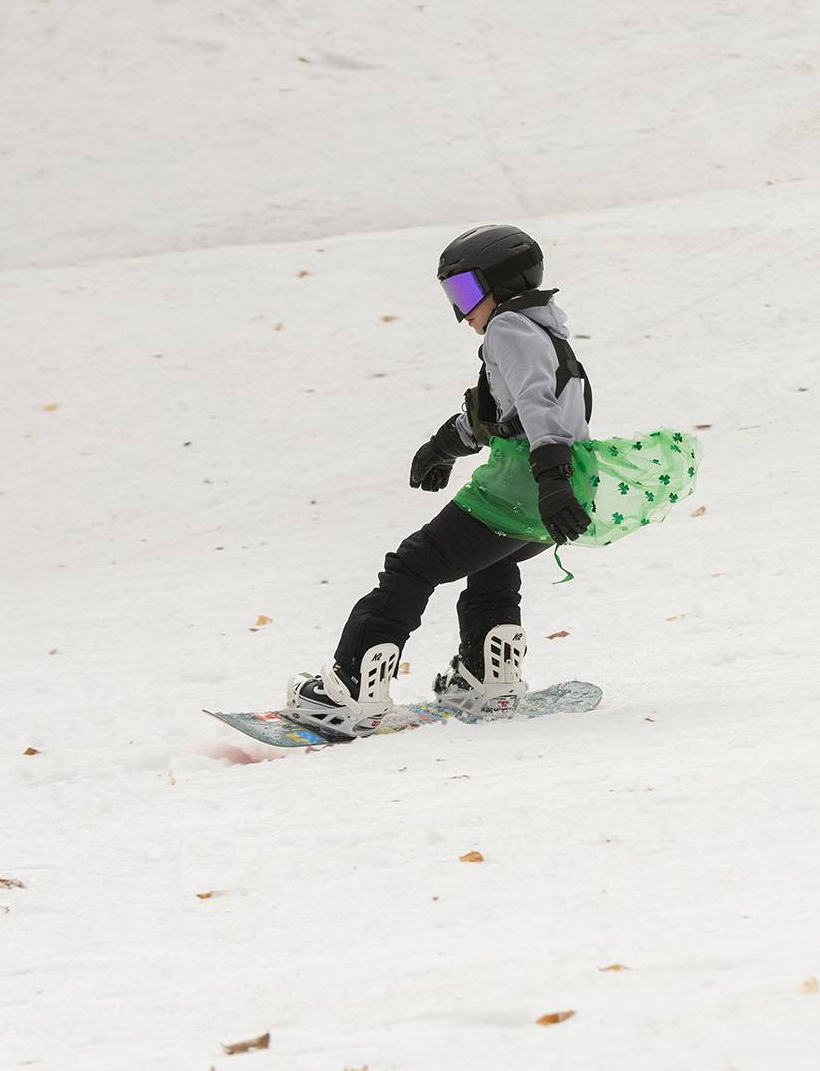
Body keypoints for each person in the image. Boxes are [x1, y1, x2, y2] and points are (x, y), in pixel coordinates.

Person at [286, 223, 698, 738]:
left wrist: (549, 481)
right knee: (494, 565)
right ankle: (489, 679)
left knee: (412, 567)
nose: (462, 311)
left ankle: (349, 695)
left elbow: (537, 407)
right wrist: (443, 446)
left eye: (465, 292)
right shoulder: (541, 328)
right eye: (452, 295)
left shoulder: (509, 328)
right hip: (563, 482)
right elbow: (501, 414)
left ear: (501, 283)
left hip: (529, 483)